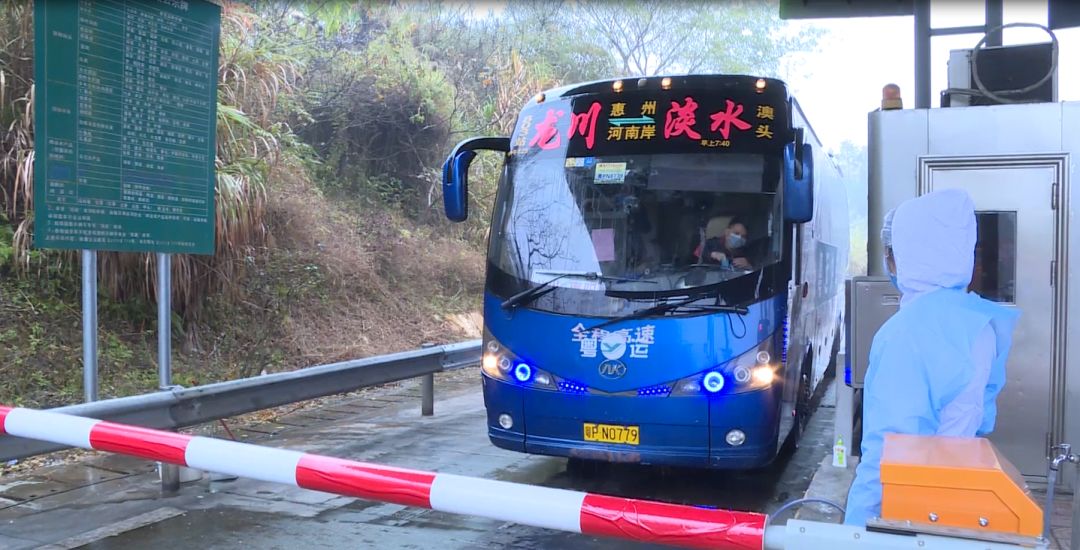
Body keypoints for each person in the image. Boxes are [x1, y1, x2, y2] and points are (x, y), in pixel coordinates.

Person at [844, 189, 1019, 526]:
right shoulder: (978, 321)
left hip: (913, 504)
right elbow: (982, 417)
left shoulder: (906, 333)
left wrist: (857, 528)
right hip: (960, 489)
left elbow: (889, 451)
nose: (889, 261)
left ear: (906, 254)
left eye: (891, 252)